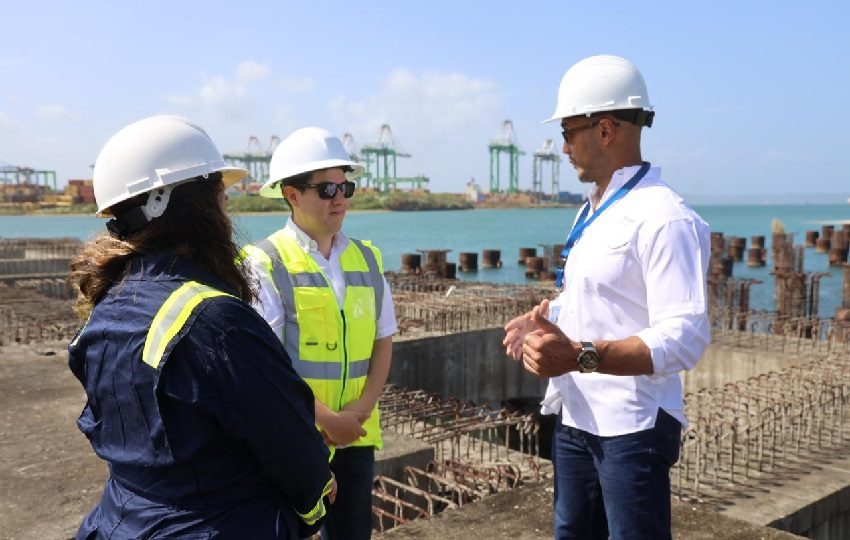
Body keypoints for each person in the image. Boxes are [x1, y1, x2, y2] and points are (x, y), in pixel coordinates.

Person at [68, 115, 336, 539]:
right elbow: (292, 445)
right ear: (191, 206)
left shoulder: (109, 308)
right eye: (220, 198)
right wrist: (313, 507)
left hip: (120, 523)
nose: (226, 213)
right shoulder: (217, 321)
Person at [503, 55, 710, 540]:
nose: (562, 145)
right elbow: (601, 295)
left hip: (632, 427)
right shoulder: (593, 208)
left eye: (569, 130)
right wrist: (546, 316)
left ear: (605, 130)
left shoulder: (665, 217)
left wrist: (575, 355)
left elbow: (684, 339)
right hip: (577, 415)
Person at [242, 126, 397, 540]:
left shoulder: (368, 258)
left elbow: (383, 341)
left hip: (357, 436)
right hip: (294, 437)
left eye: (345, 186)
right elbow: (263, 368)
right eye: (327, 189)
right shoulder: (263, 262)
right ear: (292, 195)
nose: (341, 198)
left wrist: (357, 414)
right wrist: (328, 420)